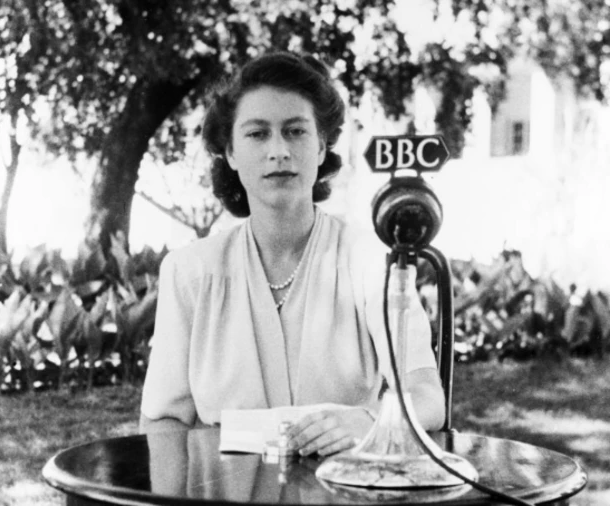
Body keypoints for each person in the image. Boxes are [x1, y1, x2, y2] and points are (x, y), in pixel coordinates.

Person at [140, 51, 445, 457]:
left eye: (296, 131)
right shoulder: (190, 272)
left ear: (321, 147)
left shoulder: (370, 262)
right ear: (230, 153)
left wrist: (371, 420)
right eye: (257, 133)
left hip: (343, 494)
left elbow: (426, 396)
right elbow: (162, 420)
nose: (279, 150)